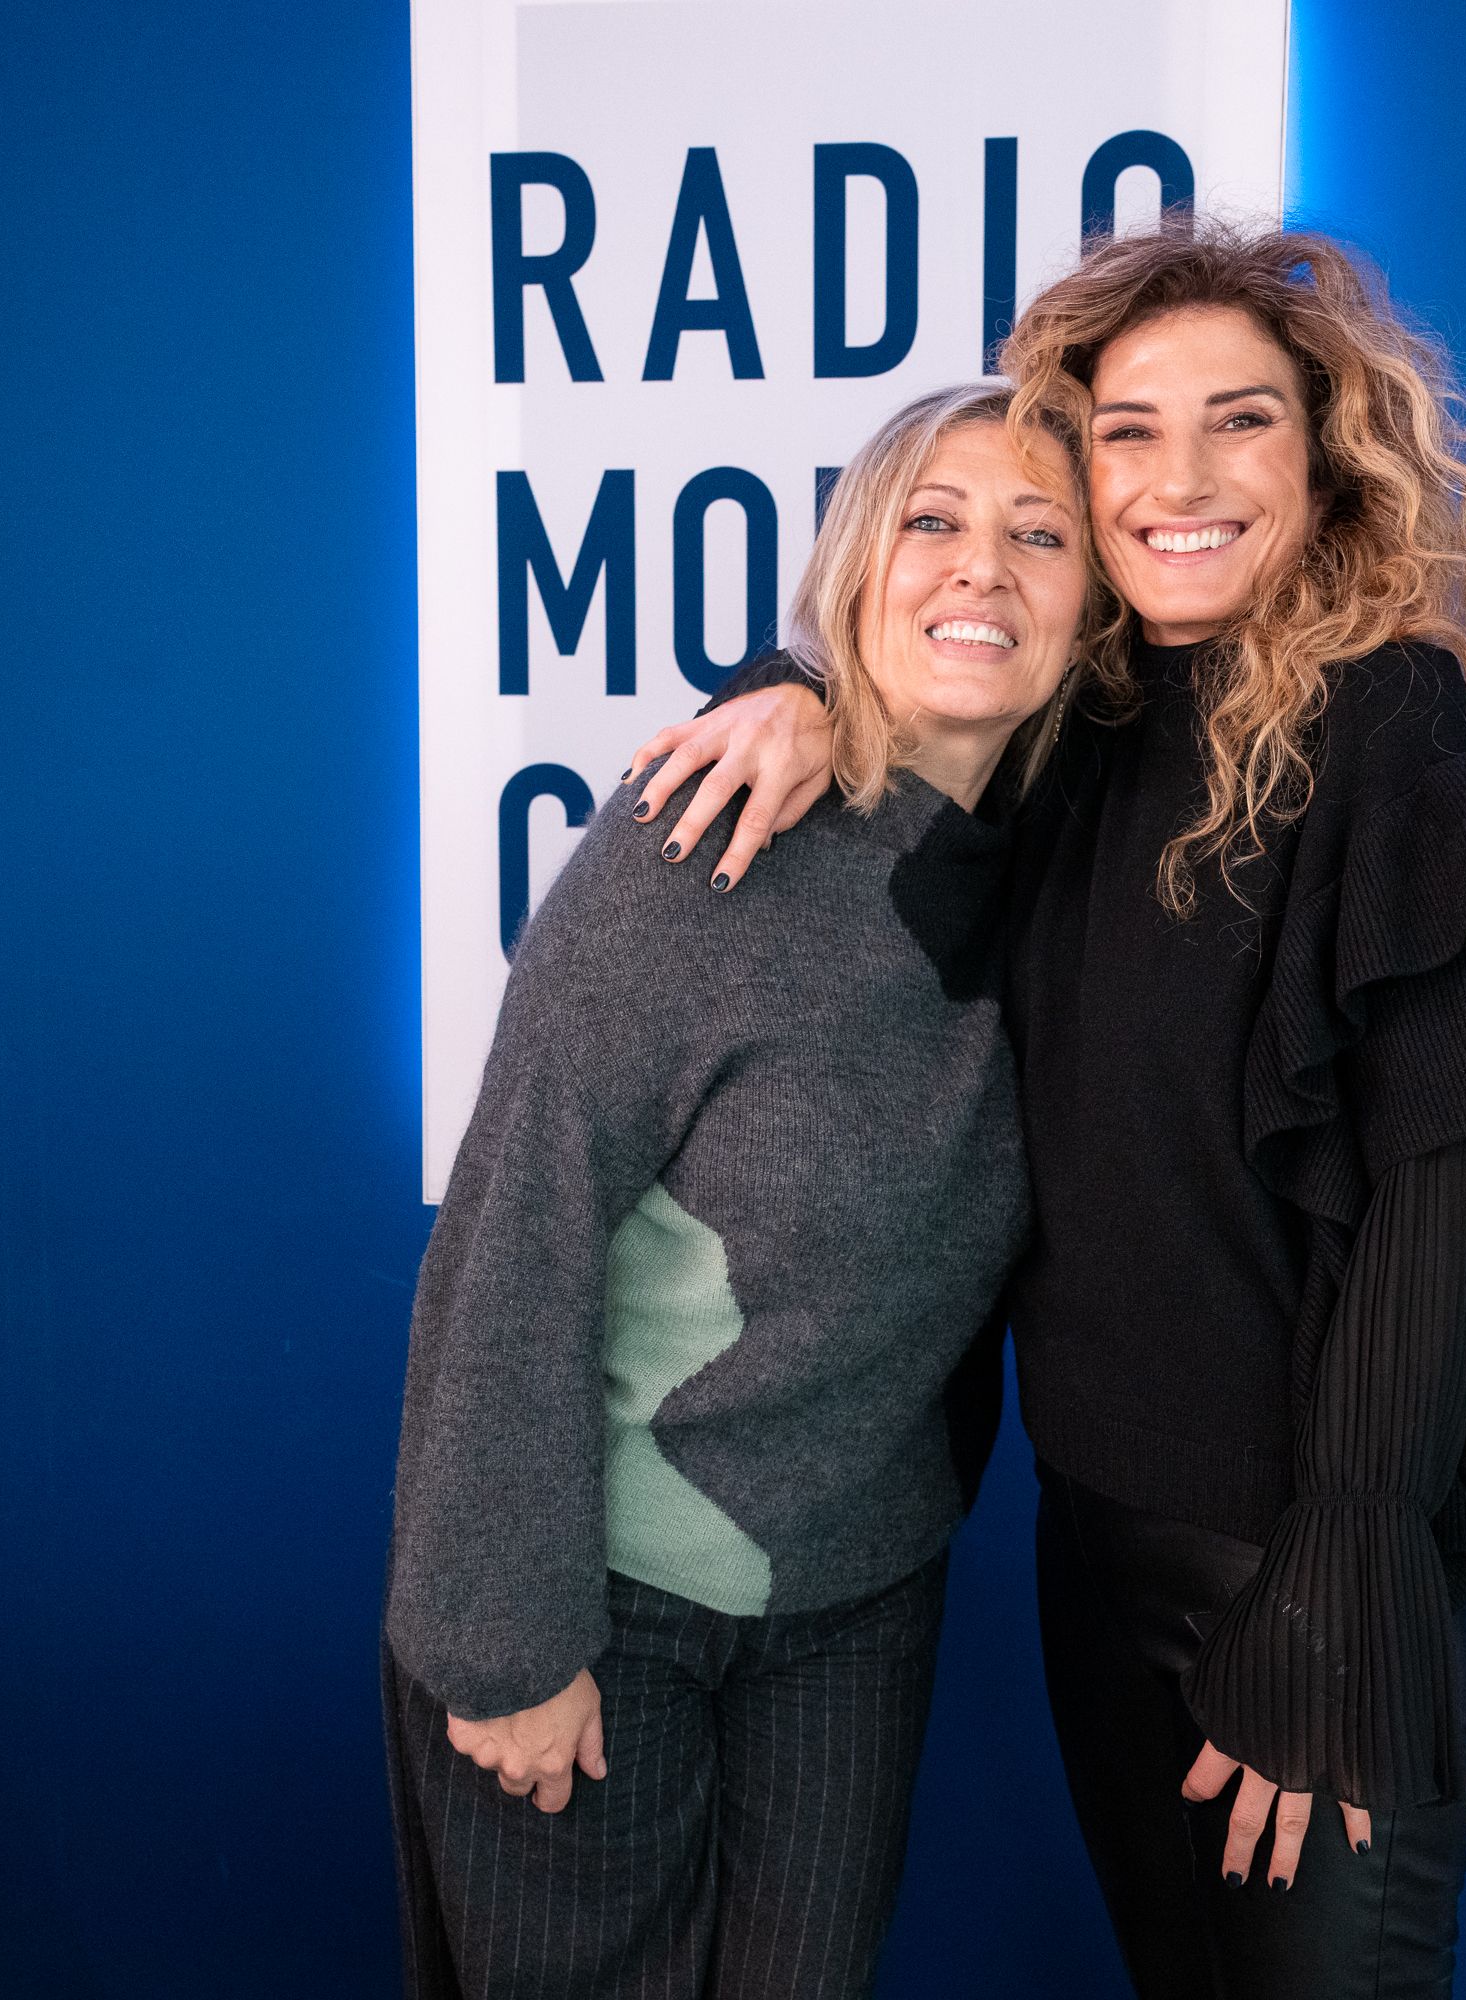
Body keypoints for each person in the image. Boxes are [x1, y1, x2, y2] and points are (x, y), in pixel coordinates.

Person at [628, 221, 1466, 1998]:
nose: (1181, 480)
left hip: (1310, 1543)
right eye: (1127, 432)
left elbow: (1442, 1199)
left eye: (1241, 421)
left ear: (1326, 456)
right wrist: (792, 689)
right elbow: (917, 680)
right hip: (1094, 1538)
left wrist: (1346, 1565)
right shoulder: (1076, 724)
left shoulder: (1384, 719)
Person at [382, 383, 1096, 2000]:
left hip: (858, 1608)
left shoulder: (1077, 886)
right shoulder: (702, 834)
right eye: (931, 521)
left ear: (1092, 608)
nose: (981, 568)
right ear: (850, 571)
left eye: (1040, 535)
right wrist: (504, 1638)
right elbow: (516, 1236)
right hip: (596, 1604)